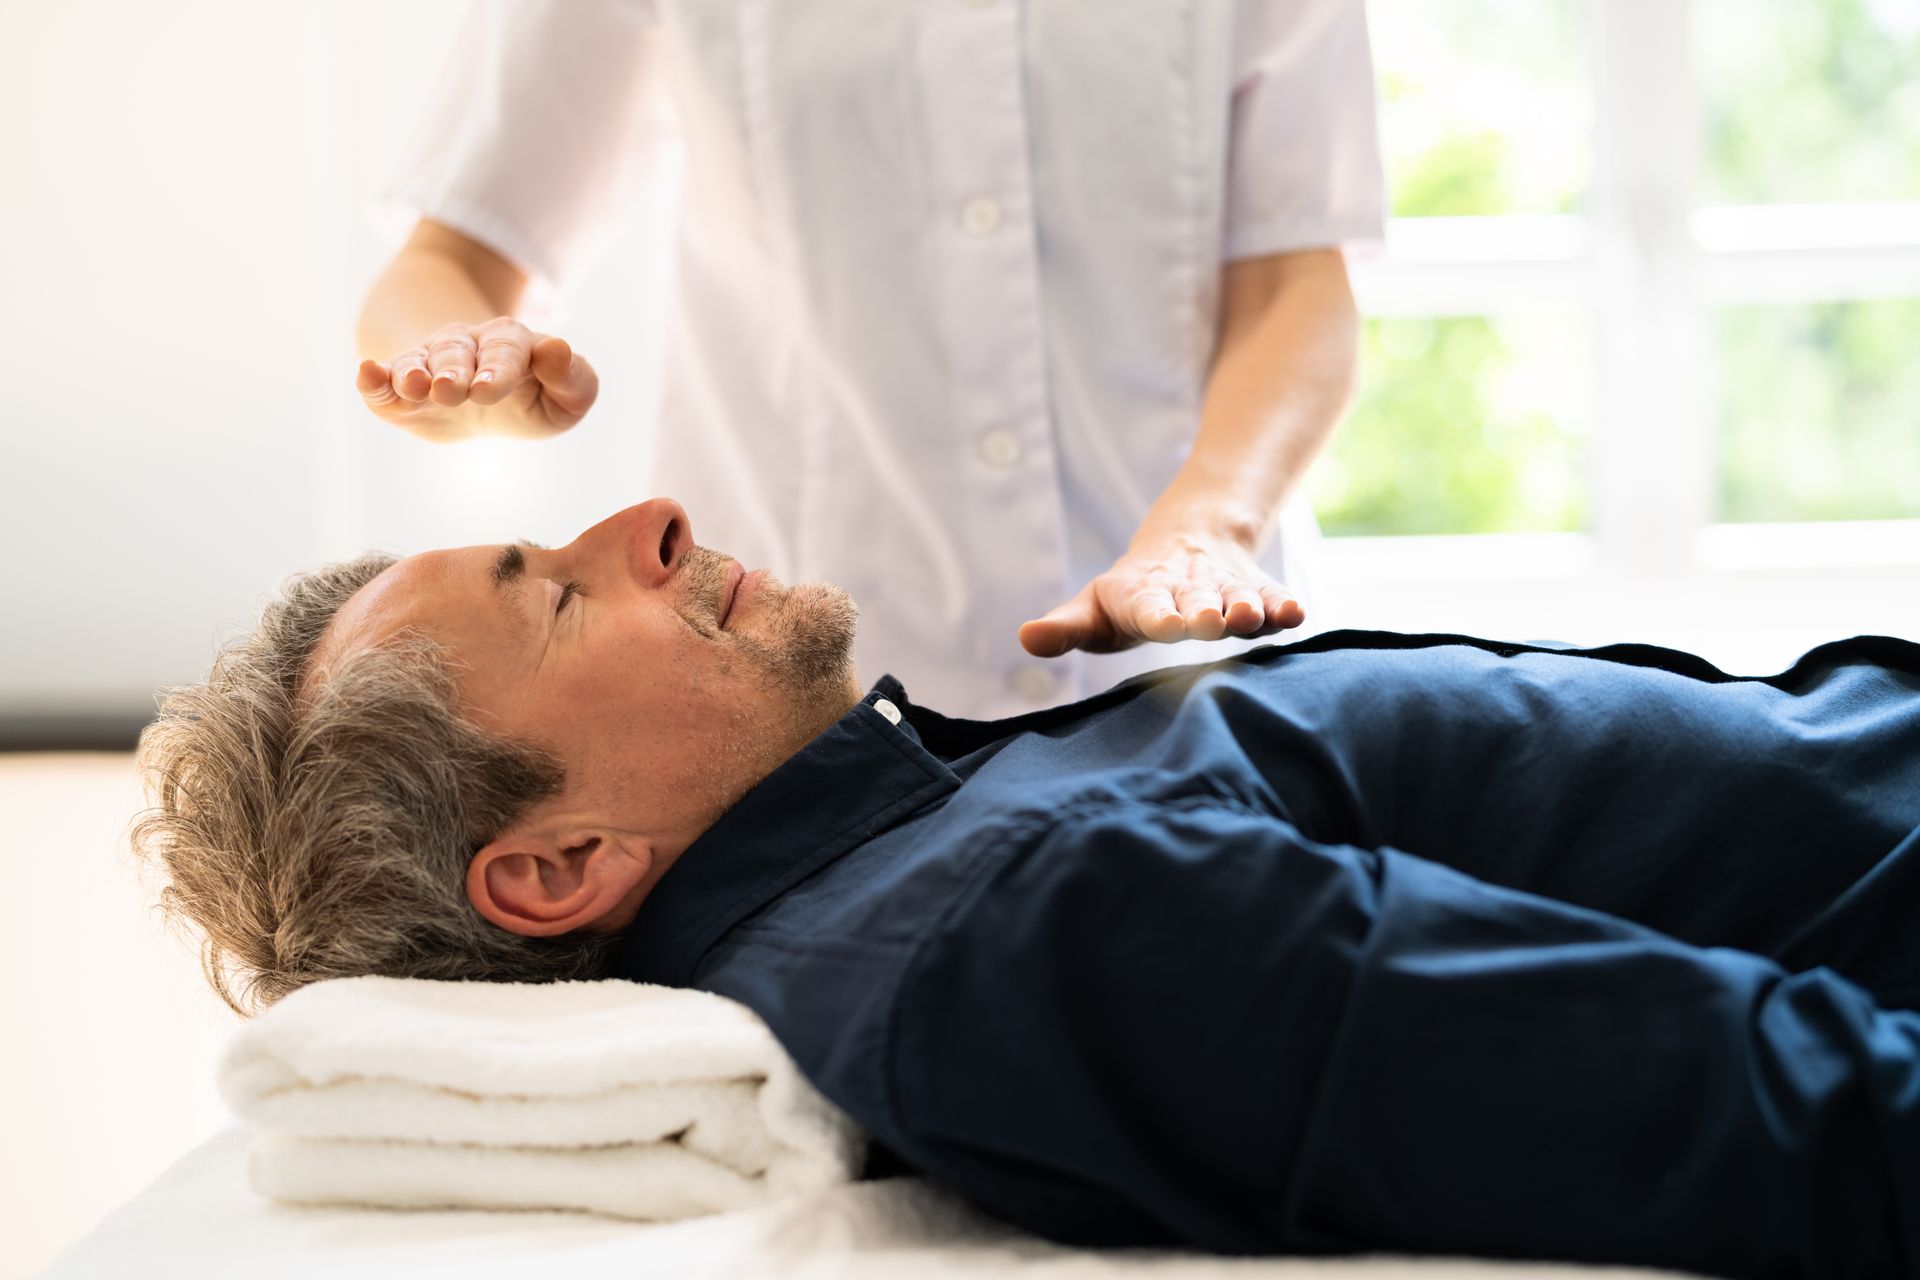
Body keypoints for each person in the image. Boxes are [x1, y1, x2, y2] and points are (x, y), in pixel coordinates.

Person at [135, 498, 1920, 1278]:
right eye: (555, 592)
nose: (651, 523)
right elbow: (1772, 1106)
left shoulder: (940, 830)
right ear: (556, 871)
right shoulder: (1002, 931)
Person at [353, 0, 1383, 720]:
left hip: (1187, 667)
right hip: (795, 711)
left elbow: (1296, 276)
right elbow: (447, 265)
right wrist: (462, 375)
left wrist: (1205, 525)